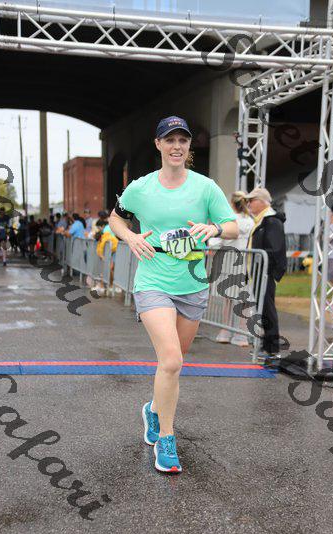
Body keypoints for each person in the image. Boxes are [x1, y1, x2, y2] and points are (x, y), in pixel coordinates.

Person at [109, 115, 238, 474]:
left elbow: (232, 226)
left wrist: (213, 228)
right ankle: (166, 439)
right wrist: (130, 236)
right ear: (159, 145)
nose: (177, 146)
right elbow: (116, 218)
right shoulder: (141, 188)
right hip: (153, 280)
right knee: (170, 361)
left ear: (188, 146)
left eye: (183, 140)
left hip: (193, 284)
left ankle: (153, 410)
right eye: (170, 140)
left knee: (174, 362)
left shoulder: (205, 187)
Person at [246, 187, 287, 361]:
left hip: (265, 273)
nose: (248, 204)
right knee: (263, 309)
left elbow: (274, 249)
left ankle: (273, 349)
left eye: (251, 200)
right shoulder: (262, 220)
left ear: (262, 202)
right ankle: (267, 346)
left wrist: (267, 271)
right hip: (259, 272)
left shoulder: (271, 221)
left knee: (267, 309)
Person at [213, 191, 254, 346]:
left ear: (231, 203)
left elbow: (217, 242)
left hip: (228, 262)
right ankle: (241, 334)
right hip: (244, 263)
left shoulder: (229, 221)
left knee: (228, 299)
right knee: (244, 299)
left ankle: (225, 332)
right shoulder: (250, 221)